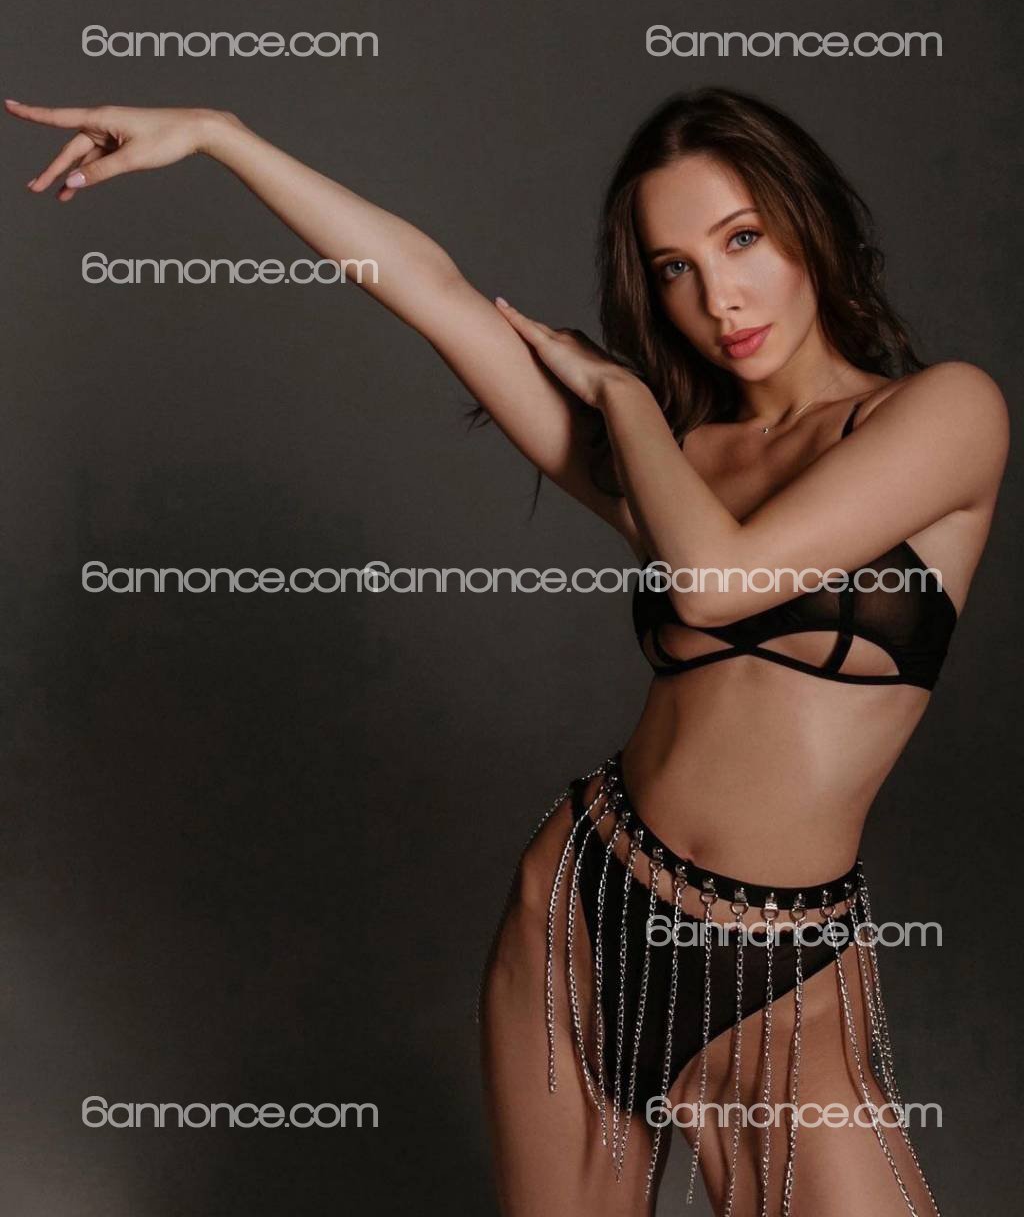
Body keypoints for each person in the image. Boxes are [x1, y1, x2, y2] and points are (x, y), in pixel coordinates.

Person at [7, 87, 1008, 1215]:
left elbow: (718, 580)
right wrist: (225, 140)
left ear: (808, 220)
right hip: (585, 907)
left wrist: (622, 397)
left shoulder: (943, 412)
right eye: (673, 267)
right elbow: (437, 295)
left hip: (778, 965)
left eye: (743, 240)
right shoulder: (679, 454)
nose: (718, 297)